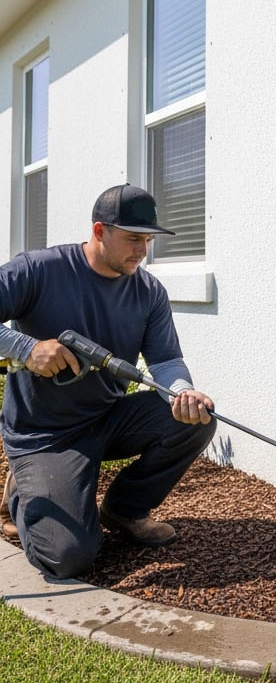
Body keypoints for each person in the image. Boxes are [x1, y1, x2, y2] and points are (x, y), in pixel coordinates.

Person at [0, 184, 216, 578]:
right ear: (100, 231)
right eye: (133, 239)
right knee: (67, 557)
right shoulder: (38, 270)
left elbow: (166, 360)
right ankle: (24, 489)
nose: (142, 250)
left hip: (106, 417)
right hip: (45, 434)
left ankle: (124, 510)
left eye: (148, 240)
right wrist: (25, 349)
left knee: (195, 419)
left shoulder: (148, 291)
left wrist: (183, 392)